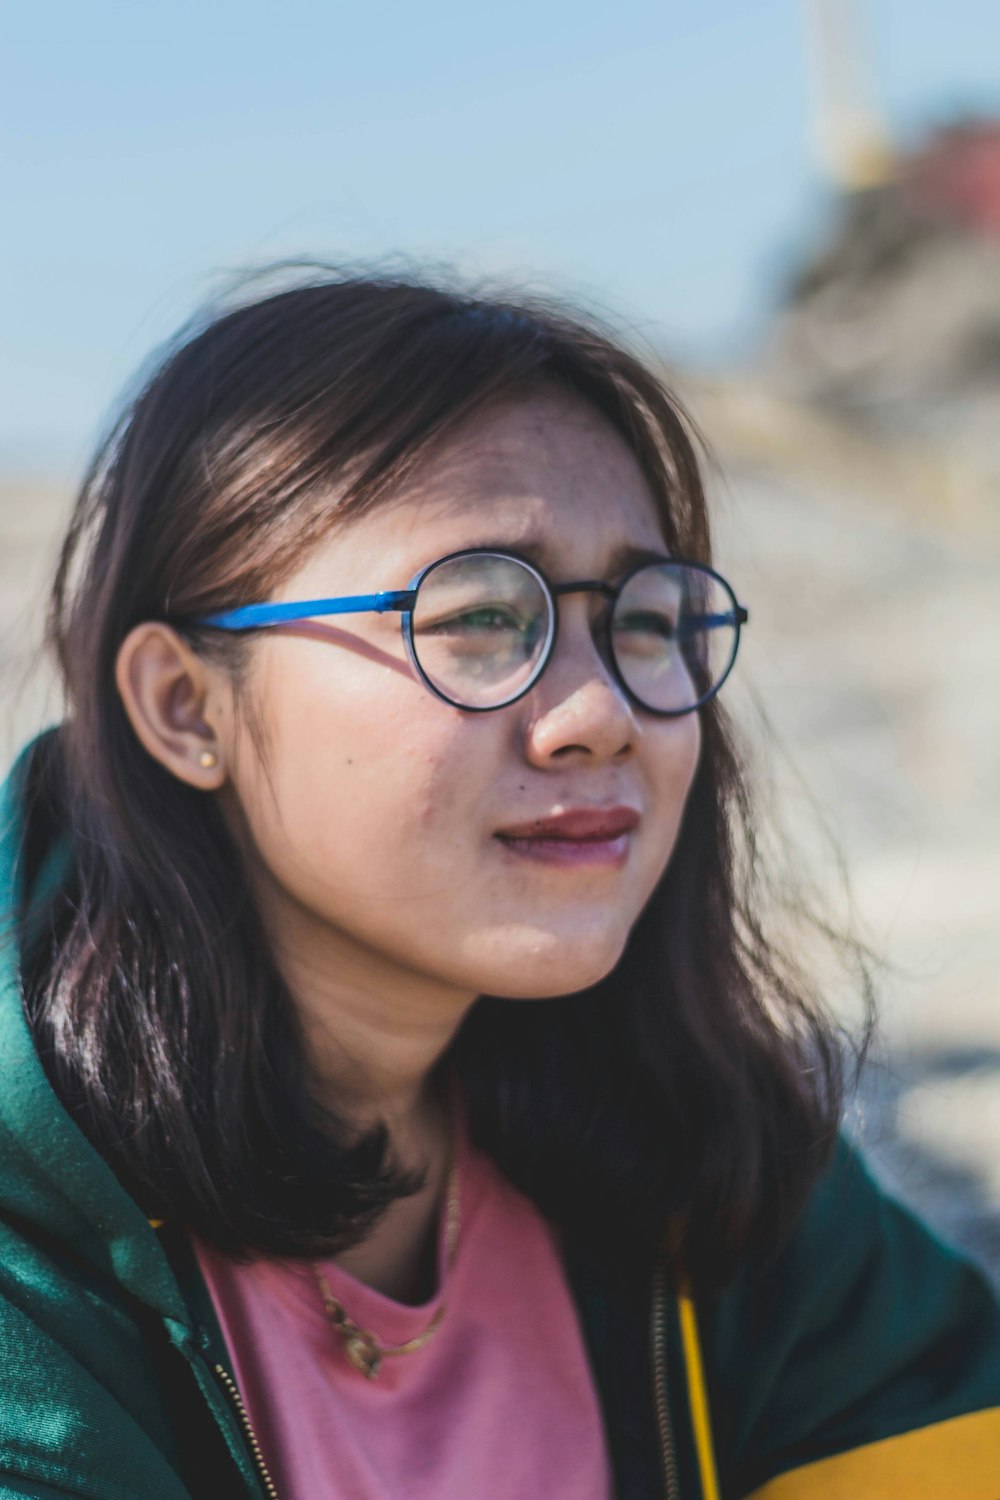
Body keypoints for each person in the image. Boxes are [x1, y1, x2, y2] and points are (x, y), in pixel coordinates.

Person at [0, 268, 997, 1500]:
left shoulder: (685, 1146)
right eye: (476, 616)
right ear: (184, 706)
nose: (600, 716)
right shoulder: (31, 1262)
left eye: (642, 619)